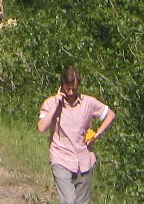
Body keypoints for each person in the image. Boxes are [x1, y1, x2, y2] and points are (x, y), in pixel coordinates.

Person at [37, 66, 114, 204]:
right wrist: (56, 106)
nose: (71, 92)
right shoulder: (50, 103)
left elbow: (110, 115)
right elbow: (42, 127)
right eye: (68, 88)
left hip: (84, 159)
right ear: (62, 85)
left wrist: (97, 133)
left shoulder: (88, 102)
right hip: (61, 157)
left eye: (74, 88)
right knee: (69, 200)